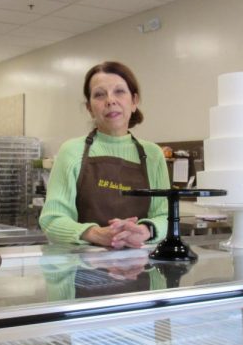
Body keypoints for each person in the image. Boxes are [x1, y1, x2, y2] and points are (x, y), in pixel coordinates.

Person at [39, 61, 169, 248]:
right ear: (90, 108)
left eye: (119, 91)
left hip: (140, 267)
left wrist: (145, 230)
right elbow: (52, 219)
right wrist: (96, 234)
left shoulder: (153, 154)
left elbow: (165, 216)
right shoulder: (72, 151)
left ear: (134, 101)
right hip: (81, 270)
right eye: (99, 95)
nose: (110, 100)